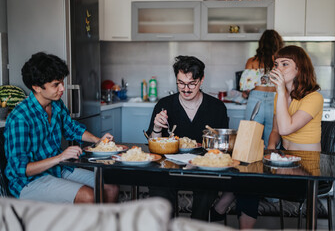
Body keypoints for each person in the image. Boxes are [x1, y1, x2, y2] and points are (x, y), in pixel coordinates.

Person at [4, 52, 119, 203]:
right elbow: (21, 169)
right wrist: (60, 157)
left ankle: (104, 226)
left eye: (62, 82)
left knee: (110, 188)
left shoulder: (56, 104)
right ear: (37, 87)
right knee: (88, 196)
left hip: (56, 169)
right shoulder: (20, 117)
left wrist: (99, 141)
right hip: (28, 182)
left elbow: (72, 128)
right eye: (56, 84)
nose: (62, 88)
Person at [210, 30, 284, 229]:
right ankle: (270, 193)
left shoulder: (252, 61)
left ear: (261, 43)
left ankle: (243, 183)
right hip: (276, 102)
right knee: (271, 146)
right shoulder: (281, 61)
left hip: (256, 100)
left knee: (247, 145)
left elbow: (244, 88)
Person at [146, 55, 229, 220]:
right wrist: (156, 128)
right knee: (159, 189)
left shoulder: (216, 107)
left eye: (192, 83)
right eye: (181, 83)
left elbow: (222, 148)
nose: (186, 89)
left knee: (207, 191)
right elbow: (153, 146)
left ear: (201, 80)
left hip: (204, 169)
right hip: (170, 168)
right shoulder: (164, 105)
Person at [268, 45, 323, 151]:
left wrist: (280, 91)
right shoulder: (281, 95)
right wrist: (271, 147)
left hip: (307, 159)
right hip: (285, 154)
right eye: (276, 64)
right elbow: (276, 130)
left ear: (299, 69)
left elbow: (285, 129)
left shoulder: (314, 98)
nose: (278, 69)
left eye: (284, 64)